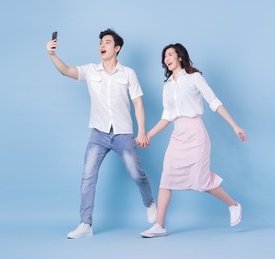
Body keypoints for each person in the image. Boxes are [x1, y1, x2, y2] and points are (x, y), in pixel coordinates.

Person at [46, 29, 157, 239]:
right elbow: (67, 70)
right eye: (100, 42)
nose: (102, 45)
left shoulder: (128, 74)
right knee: (88, 177)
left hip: (123, 133)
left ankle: (150, 202)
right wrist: (52, 55)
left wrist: (141, 132)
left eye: (107, 42)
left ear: (117, 48)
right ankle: (85, 224)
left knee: (136, 173)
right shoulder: (91, 70)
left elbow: (138, 103)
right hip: (98, 133)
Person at [140, 43, 247, 238]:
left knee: (202, 180)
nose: (167, 58)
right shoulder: (167, 86)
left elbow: (214, 102)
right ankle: (160, 225)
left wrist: (235, 125)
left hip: (196, 134)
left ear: (180, 57)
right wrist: (148, 134)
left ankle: (233, 204)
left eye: (170, 54)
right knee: (166, 179)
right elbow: (167, 116)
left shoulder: (194, 78)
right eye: (165, 56)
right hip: (177, 136)